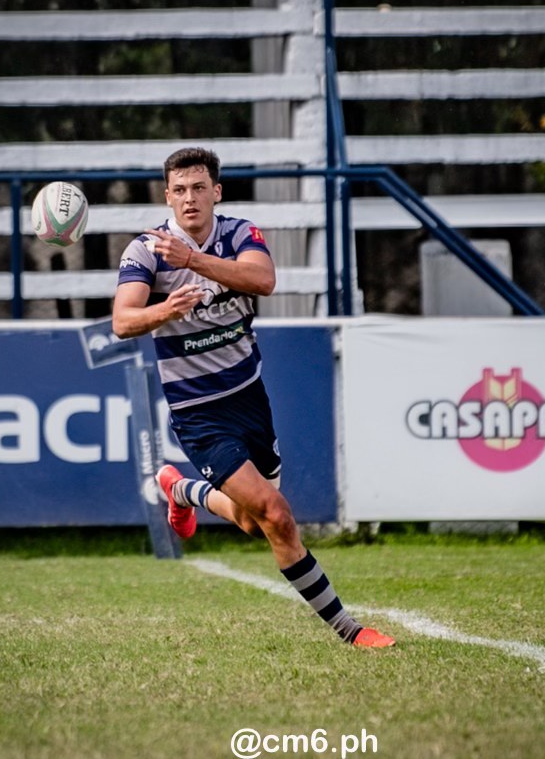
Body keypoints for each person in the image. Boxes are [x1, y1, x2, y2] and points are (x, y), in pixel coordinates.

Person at [112, 147, 395, 648]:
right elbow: (122, 321)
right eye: (180, 190)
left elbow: (263, 280)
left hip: (249, 399)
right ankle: (350, 631)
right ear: (167, 196)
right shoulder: (146, 251)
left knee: (251, 520)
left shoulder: (241, 233)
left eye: (199, 188)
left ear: (216, 192)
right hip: (198, 412)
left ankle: (181, 491)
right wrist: (166, 312)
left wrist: (193, 261)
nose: (190, 198)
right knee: (277, 515)